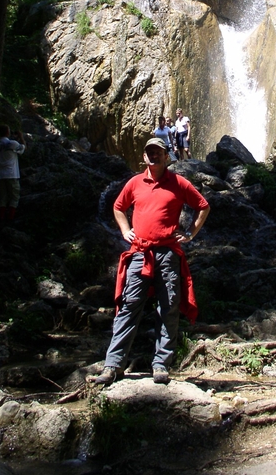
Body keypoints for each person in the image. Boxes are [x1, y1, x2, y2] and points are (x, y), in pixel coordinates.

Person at [94, 137, 209, 386]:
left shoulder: (179, 182)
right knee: (129, 306)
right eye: (149, 152)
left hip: (167, 253)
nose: (153, 156)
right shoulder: (135, 182)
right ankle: (113, 365)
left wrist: (190, 233)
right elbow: (118, 207)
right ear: (144, 156)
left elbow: (203, 206)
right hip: (139, 253)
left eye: (158, 152)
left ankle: (161, 365)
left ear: (166, 156)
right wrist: (125, 230)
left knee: (168, 307)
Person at [0, 124, 26, 221]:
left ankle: (1, 217)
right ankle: (10, 218)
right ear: (8, 132)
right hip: (11, 174)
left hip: (0, 175)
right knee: (14, 197)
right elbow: (23, 148)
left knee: (2, 198)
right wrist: (21, 137)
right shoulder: (13, 144)